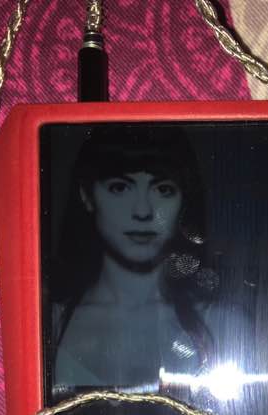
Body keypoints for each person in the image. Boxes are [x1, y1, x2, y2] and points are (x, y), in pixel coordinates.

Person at [52, 125, 217, 391]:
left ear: (184, 200)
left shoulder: (221, 326)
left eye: (163, 189)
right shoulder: (44, 324)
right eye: (120, 187)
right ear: (86, 195)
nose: (142, 211)